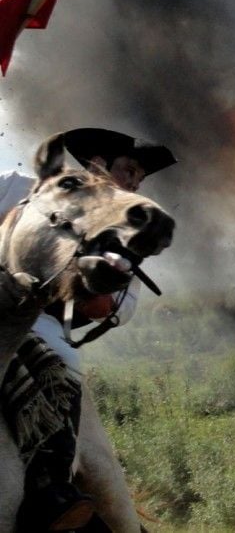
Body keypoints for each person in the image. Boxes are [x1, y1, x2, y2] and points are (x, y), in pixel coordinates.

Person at [0, 127, 176, 531]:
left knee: (57, 373)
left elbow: (105, 309)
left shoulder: (119, 243)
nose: (134, 183)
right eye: (129, 170)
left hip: (37, 325)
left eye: (139, 179)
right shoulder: (19, 188)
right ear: (96, 165)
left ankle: (50, 489)